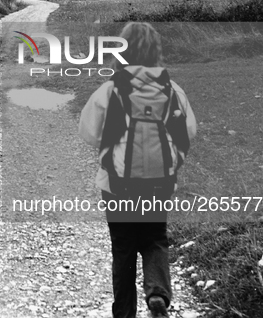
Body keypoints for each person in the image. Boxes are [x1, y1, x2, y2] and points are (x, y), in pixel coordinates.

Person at [78, 22, 196, 318]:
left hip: (117, 185)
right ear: (156, 51)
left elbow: (89, 133)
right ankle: (157, 292)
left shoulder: (110, 89)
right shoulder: (172, 89)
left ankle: (125, 313)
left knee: (124, 248)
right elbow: (189, 131)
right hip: (160, 183)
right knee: (155, 237)